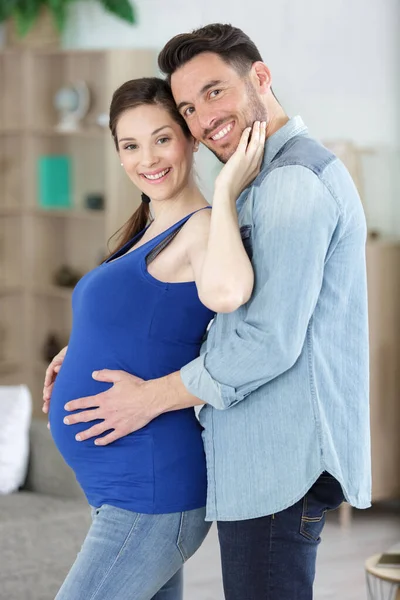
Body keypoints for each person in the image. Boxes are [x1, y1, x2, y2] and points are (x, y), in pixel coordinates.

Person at [44, 24, 372, 600]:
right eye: (190, 106)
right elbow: (210, 320)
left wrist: (148, 396)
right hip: (250, 459)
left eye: (215, 92)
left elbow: (265, 339)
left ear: (261, 78)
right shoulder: (256, 184)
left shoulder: (289, 185)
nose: (204, 117)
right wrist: (92, 350)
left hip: (279, 463)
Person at [45, 75, 266, 600]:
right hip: (124, 486)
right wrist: (78, 352)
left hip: (150, 487)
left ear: (190, 137)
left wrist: (225, 189)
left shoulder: (201, 227)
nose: (149, 158)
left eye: (163, 138)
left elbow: (230, 293)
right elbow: (142, 315)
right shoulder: (144, 225)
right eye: (131, 144)